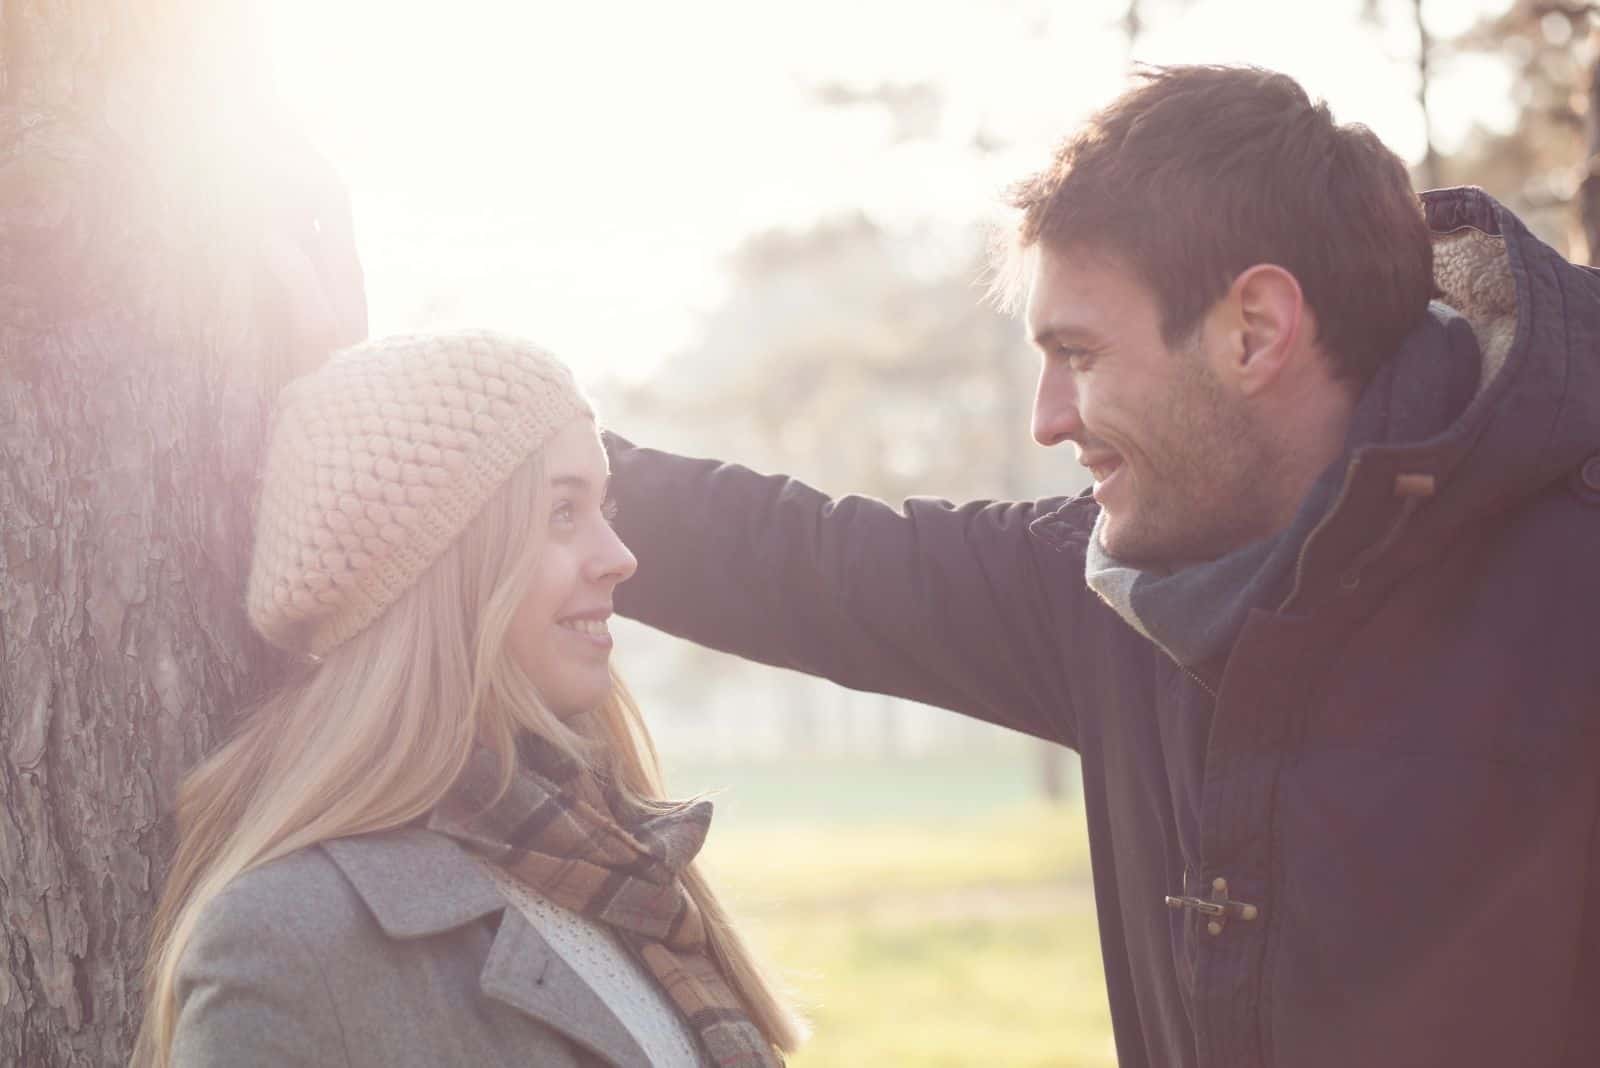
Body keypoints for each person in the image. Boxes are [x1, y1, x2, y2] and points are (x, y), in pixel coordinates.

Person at [603, 65, 1600, 1068]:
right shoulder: (1110, 591)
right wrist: (525, 455)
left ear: (1252, 331)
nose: (1046, 421)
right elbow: (794, 558)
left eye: (1078, 352)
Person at [135, 331, 804, 1068]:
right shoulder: (287, 941)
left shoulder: (616, 867)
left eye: (603, 507)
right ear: (444, 573)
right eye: (561, 514)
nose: (621, 556)